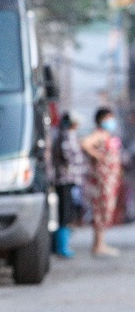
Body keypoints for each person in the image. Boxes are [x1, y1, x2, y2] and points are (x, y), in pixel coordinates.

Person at [81, 107, 123, 257]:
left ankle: (100, 244)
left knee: (105, 211)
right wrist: (98, 155)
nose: (111, 121)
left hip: (110, 180)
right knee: (101, 210)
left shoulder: (108, 135)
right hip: (101, 180)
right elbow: (85, 143)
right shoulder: (99, 134)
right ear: (101, 120)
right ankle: (98, 245)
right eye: (108, 118)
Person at [51, 113, 85, 257]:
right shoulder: (66, 136)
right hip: (65, 179)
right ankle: (61, 245)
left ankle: (62, 244)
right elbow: (68, 156)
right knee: (64, 213)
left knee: (68, 212)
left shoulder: (64, 135)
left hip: (69, 180)